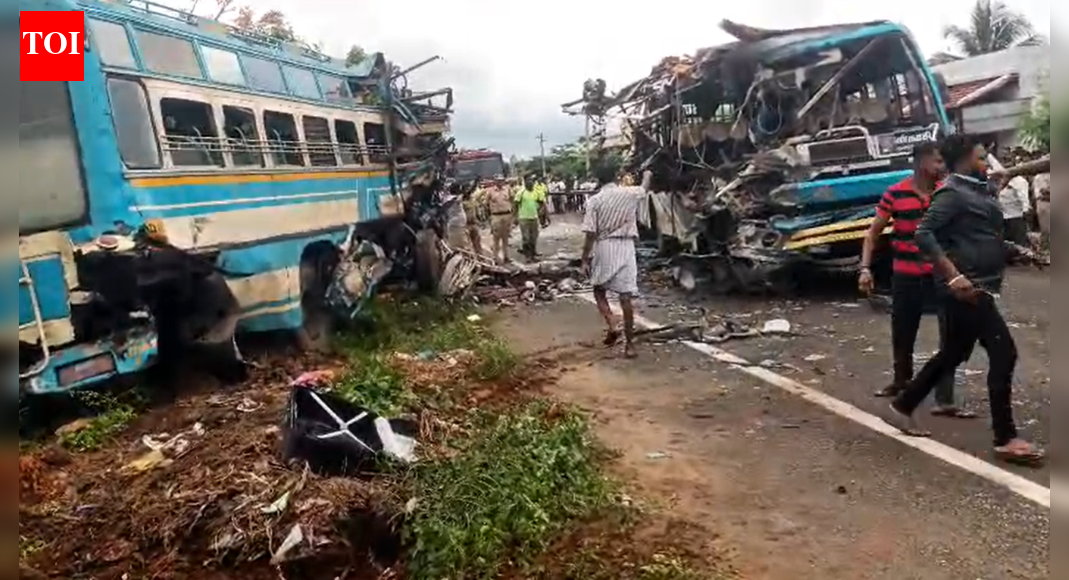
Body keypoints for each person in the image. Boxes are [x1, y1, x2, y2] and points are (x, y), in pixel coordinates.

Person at [885, 134, 1045, 466]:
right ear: (962, 160)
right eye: (981, 157)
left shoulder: (977, 191)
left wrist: (1018, 251)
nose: (987, 163)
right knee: (1004, 353)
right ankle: (1005, 437)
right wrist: (953, 276)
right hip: (968, 288)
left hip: (980, 284)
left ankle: (904, 403)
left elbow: (981, 237)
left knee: (954, 352)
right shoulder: (952, 193)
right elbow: (923, 233)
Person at [859, 143, 975, 417]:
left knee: (950, 335)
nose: (942, 167)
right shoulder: (896, 193)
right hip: (906, 274)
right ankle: (902, 382)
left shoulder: (948, 193)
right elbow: (873, 233)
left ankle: (944, 399)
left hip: (941, 275)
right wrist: (865, 268)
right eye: (937, 161)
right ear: (922, 162)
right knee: (903, 332)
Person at [581, 167, 651, 359]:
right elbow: (644, 188)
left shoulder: (595, 200)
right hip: (626, 247)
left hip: (604, 246)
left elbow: (590, 233)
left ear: (597, 179)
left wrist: (585, 258)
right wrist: (647, 175)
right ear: (616, 177)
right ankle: (630, 346)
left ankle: (612, 324)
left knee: (598, 290)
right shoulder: (629, 193)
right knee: (626, 297)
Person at [992, 156, 1032, 247]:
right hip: (1003, 218)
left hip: (1016, 218)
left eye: (1008, 162)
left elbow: (1024, 199)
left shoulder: (1019, 181)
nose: (1006, 164)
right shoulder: (1000, 180)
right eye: (1004, 162)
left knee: (1019, 245)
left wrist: (1025, 213)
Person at [514, 175, 546, 262]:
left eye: (532, 181)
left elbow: (542, 202)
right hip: (524, 218)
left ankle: (533, 254)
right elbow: (515, 204)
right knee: (526, 238)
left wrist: (541, 210)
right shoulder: (521, 192)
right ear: (525, 182)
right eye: (528, 181)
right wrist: (515, 217)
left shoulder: (536, 192)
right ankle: (528, 256)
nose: (530, 182)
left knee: (533, 237)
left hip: (534, 218)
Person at [485, 176, 515, 264]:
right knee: (496, 238)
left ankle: (506, 257)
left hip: (507, 215)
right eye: (498, 181)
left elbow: (512, 200)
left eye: (501, 181)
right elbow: (486, 205)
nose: (500, 182)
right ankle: (495, 258)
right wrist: (489, 217)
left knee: (506, 237)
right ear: (495, 182)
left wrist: (512, 213)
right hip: (496, 216)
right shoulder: (490, 191)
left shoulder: (507, 190)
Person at [462, 181, 485, 256]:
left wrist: (480, 220)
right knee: (467, 245)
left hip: (474, 223)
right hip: (465, 225)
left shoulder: (472, 199)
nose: (468, 190)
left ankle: (480, 258)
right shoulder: (461, 201)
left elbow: (476, 210)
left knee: (477, 242)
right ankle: (470, 259)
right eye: (466, 189)